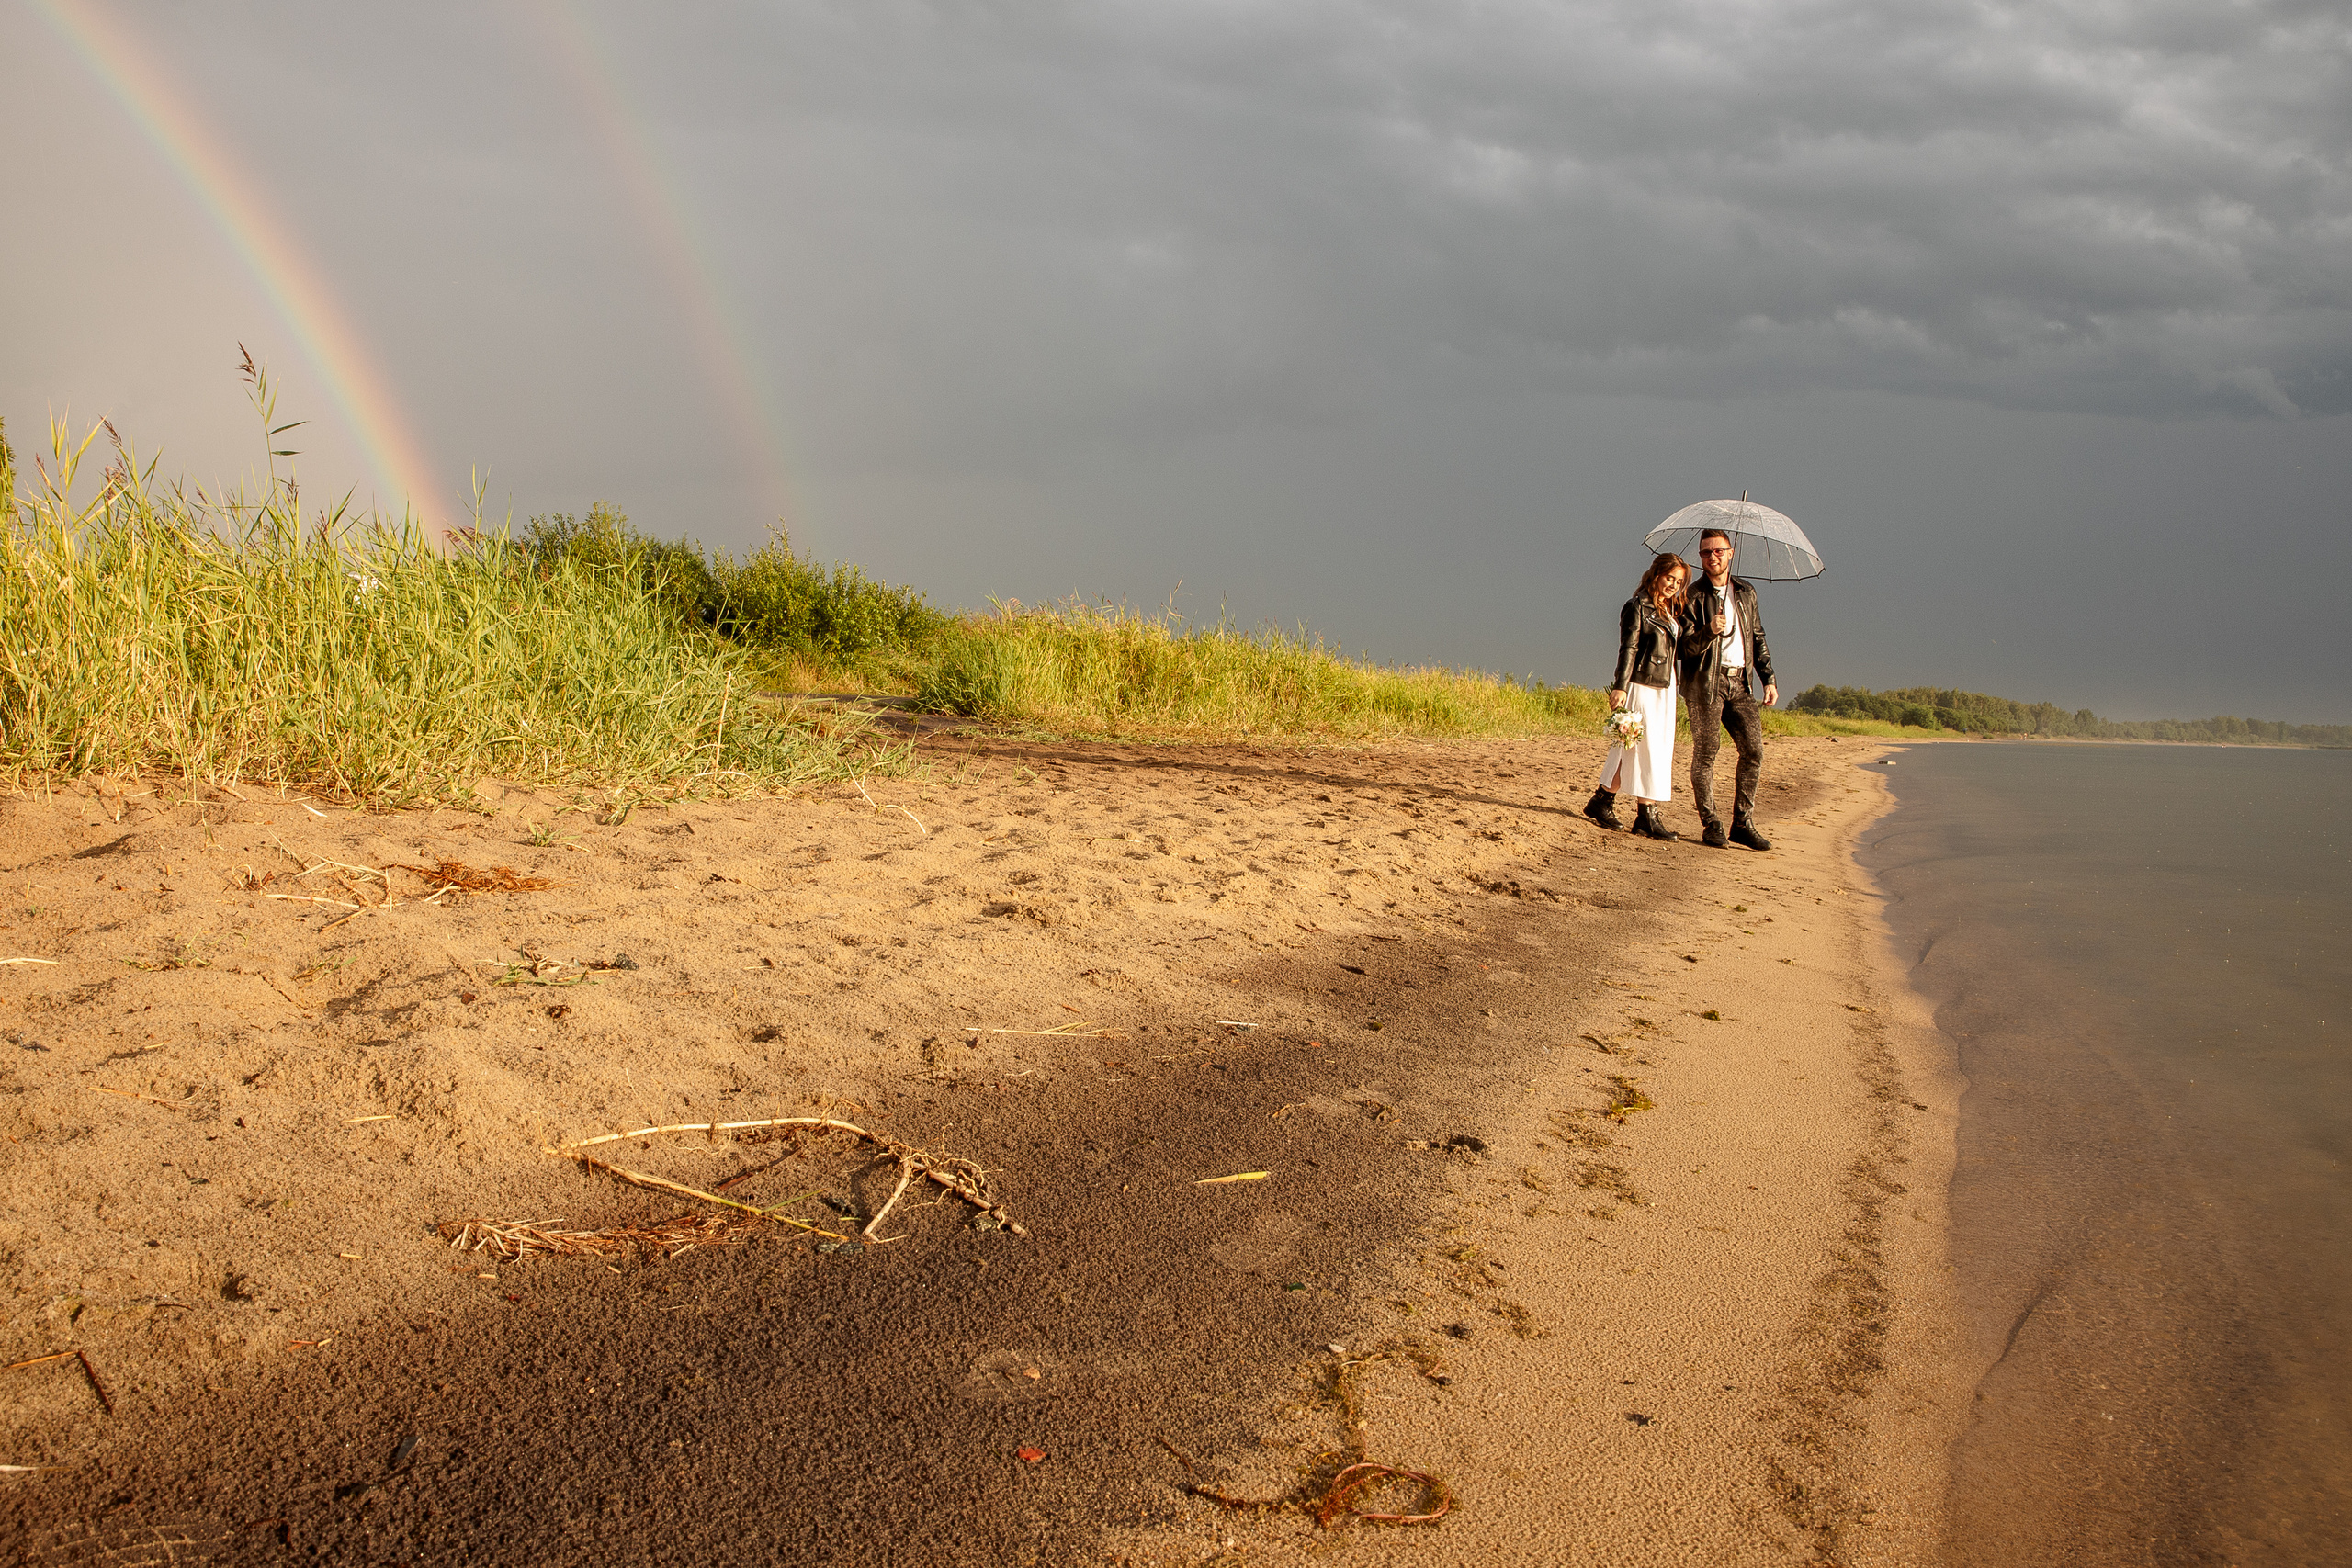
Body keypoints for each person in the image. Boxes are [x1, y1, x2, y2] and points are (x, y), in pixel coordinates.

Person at [1679, 527, 1777, 850]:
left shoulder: (1746, 592)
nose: (1712, 557)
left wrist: (1769, 679)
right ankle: (1711, 824)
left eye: (1718, 551)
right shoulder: (1691, 596)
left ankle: (1742, 822)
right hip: (1706, 683)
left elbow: (1758, 637)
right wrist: (1709, 630)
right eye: (1706, 552)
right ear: (1701, 557)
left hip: (1741, 683)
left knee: (1754, 751)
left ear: (1731, 553)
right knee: (1706, 754)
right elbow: (1684, 648)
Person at [1585, 553, 1689, 841]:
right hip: (1641, 685)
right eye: (1670, 578)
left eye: (1679, 582)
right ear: (1655, 573)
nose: (1674, 585)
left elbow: (1679, 650)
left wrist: (1711, 630)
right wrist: (1620, 686)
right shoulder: (1637, 606)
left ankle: (1626, 808)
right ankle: (1622, 807)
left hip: (1665, 687)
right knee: (1633, 745)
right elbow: (1628, 648)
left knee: (1651, 748)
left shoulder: (1670, 609)